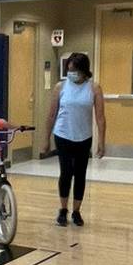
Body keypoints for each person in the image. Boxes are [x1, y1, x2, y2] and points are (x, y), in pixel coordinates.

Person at [42, 53, 106, 227]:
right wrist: (46, 139)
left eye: (75, 70)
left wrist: (101, 141)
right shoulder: (60, 87)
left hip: (83, 136)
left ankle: (76, 210)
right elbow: (51, 114)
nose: (71, 73)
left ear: (84, 71)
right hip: (63, 134)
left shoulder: (94, 88)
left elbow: (100, 117)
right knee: (66, 172)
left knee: (80, 173)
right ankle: (63, 209)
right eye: (69, 70)